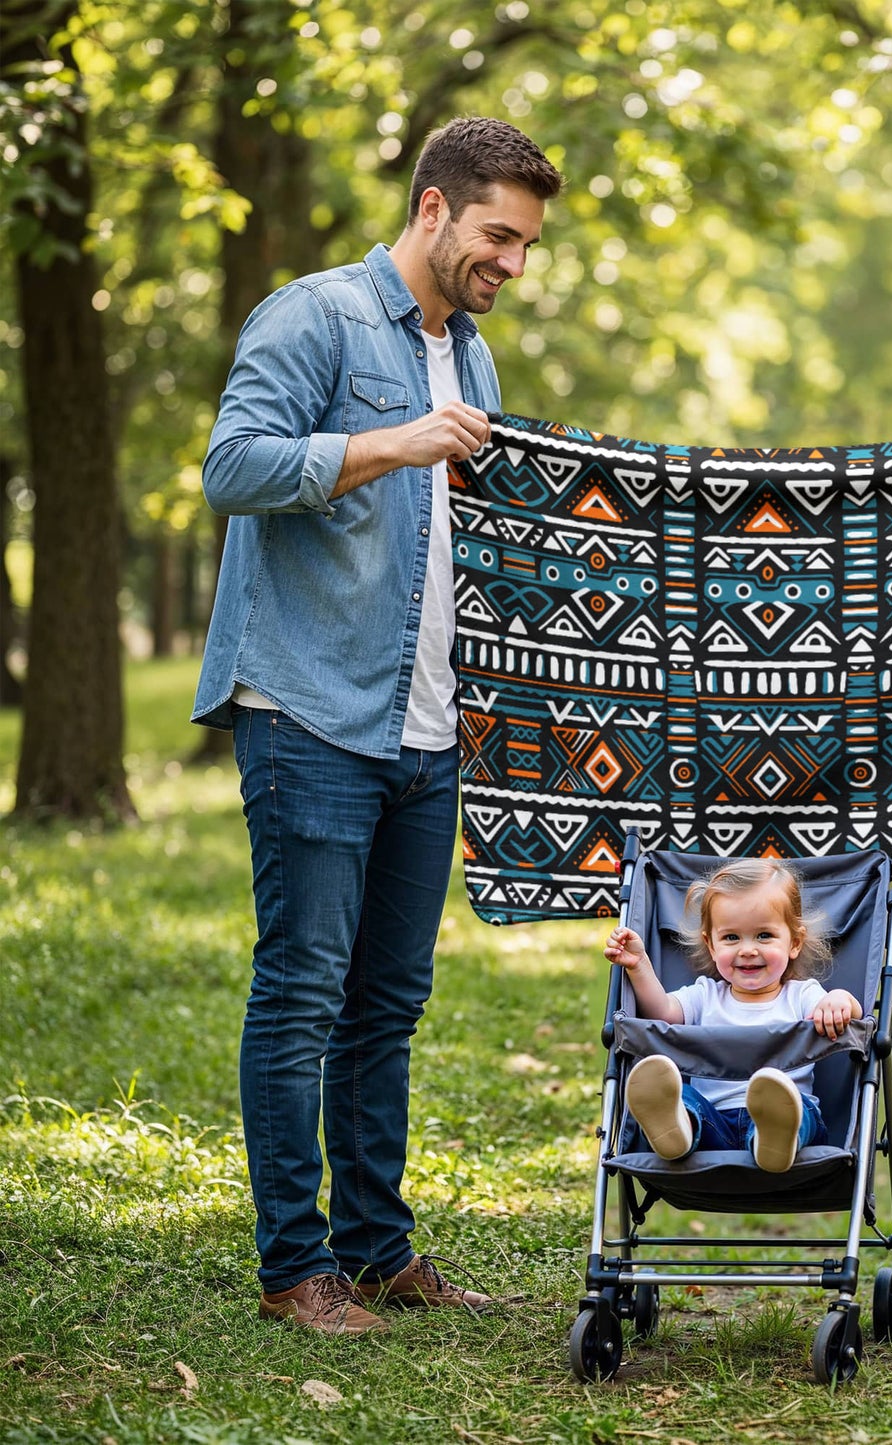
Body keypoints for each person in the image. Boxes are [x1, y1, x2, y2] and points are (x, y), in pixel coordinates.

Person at [191, 118, 563, 1334]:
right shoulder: (313, 318)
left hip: (428, 724)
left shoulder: (477, 359)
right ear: (432, 210)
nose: (510, 261)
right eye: (497, 235)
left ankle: (376, 1248)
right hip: (308, 705)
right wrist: (387, 442)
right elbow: (233, 466)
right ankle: (293, 1267)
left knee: (388, 1001)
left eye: (525, 245)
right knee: (301, 988)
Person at [604, 858, 862, 1173]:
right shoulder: (704, 994)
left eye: (764, 935)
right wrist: (639, 964)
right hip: (715, 1123)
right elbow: (664, 1015)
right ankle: (678, 1129)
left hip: (790, 1119)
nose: (747, 949)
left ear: (794, 942)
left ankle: (773, 1138)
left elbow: (850, 1012)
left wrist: (840, 999)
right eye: (731, 938)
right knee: (684, 1098)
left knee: (800, 1109)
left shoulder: (803, 995)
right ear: (710, 945)